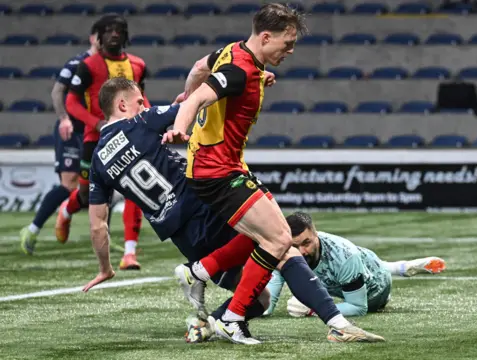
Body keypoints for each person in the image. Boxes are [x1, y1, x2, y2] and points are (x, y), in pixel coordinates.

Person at [85, 78, 384, 345]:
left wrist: (105, 268)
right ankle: (337, 323)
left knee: (261, 297)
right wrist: (249, 86)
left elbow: (98, 225)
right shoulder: (142, 122)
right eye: (139, 101)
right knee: (281, 243)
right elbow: (199, 104)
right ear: (121, 104)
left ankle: (210, 319)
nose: (144, 105)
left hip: (184, 237)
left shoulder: (98, 162)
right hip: (205, 207)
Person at [161, 3, 324, 344]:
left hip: (222, 166)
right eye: (287, 43)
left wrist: (191, 92)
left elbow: (196, 68)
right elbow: (198, 101)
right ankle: (231, 316)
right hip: (217, 170)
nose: (291, 51)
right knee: (279, 237)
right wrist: (180, 124)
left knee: (270, 230)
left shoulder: (232, 53)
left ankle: (199, 273)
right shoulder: (237, 69)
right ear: (266, 37)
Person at [57, 14, 147, 270]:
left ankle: (130, 253)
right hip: (95, 139)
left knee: (135, 190)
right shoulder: (88, 65)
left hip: (128, 137)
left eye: (119, 30)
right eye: (108, 30)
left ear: (125, 35)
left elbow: (142, 99)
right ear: (99, 36)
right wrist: (97, 124)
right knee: (87, 195)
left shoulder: (138, 65)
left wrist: (149, 121)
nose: (114, 34)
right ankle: (67, 209)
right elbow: (71, 103)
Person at [264, 212, 446, 317]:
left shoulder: (344, 256)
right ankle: (401, 267)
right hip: (361, 261)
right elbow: (269, 301)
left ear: (316, 234)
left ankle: (394, 270)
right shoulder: (285, 250)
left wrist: (314, 310)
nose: (301, 251)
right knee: (335, 276)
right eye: (295, 245)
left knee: (356, 274)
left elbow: (359, 307)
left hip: (376, 289)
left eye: (306, 243)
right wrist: (258, 310)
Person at [20, 23, 101, 255]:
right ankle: (33, 229)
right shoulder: (77, 63)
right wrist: (64, 118)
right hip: (71, 129)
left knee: (100, 183)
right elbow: (57, 92)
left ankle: (101, 235)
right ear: (92, 38)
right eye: (100, 36)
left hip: (92, 129)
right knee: (70, 184)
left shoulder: (108, 67)